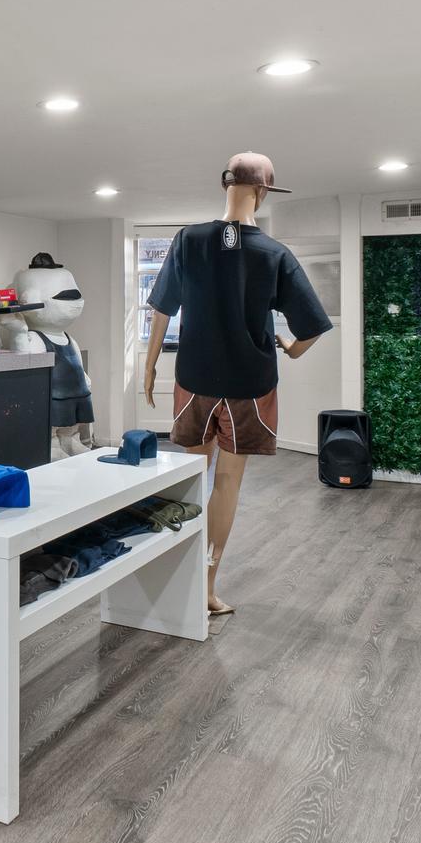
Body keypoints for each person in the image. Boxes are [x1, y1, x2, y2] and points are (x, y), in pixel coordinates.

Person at [142, 152, 332, 616]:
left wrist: (149, 368)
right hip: (249, 386)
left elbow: (162, 309)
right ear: (263, 191)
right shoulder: (275, 253)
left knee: (190, 479)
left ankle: (176, 578)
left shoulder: (188, 240)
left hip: (194, 380)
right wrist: (287, 346)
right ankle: (206, 585)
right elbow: (312, 328)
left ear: (224, 184)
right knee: (226, 484)